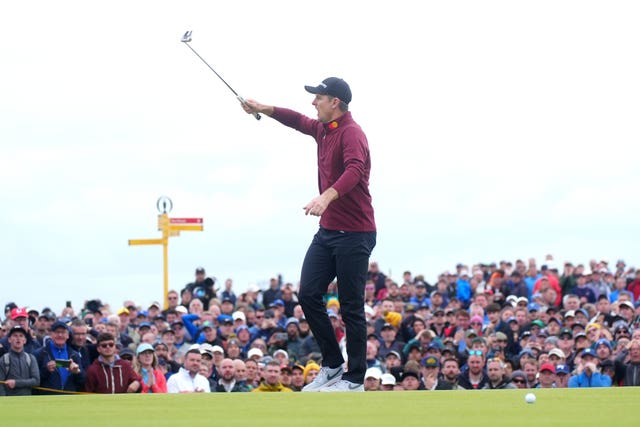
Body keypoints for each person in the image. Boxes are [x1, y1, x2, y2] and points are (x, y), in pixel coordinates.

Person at [243, 76, 376, 392]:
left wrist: (326, 197)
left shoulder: (352, 133)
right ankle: (332, 366)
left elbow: (355, 171)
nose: (313, 102)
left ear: (335, 102)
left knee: (351, 307)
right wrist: (263, 107)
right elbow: (296, 120)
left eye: (318, 97)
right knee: (308, 294)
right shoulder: (323, 129)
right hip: (329, 231)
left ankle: (355, 378)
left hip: (356, 233)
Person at [34, 321, 85, 394]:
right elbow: (34, 380)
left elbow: (82, 381)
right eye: (57, 332)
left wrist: (77, 372)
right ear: (51, 334)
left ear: (67, 335)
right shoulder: (40, 353)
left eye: (63, 332)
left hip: (68, 399)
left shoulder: (74, 355)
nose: (60, 335)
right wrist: (46, 370)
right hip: (47, 399)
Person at [0, 326, 40, 396]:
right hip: (9, 402)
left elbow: (36, 381)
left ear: (25, 340)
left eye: (21, 336)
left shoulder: (31, 358)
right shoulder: (3, 359)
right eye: (15, 336)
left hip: (27, 401)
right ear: (9, 339)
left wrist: (16, 383)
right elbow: (1, 385)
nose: (18, 338)